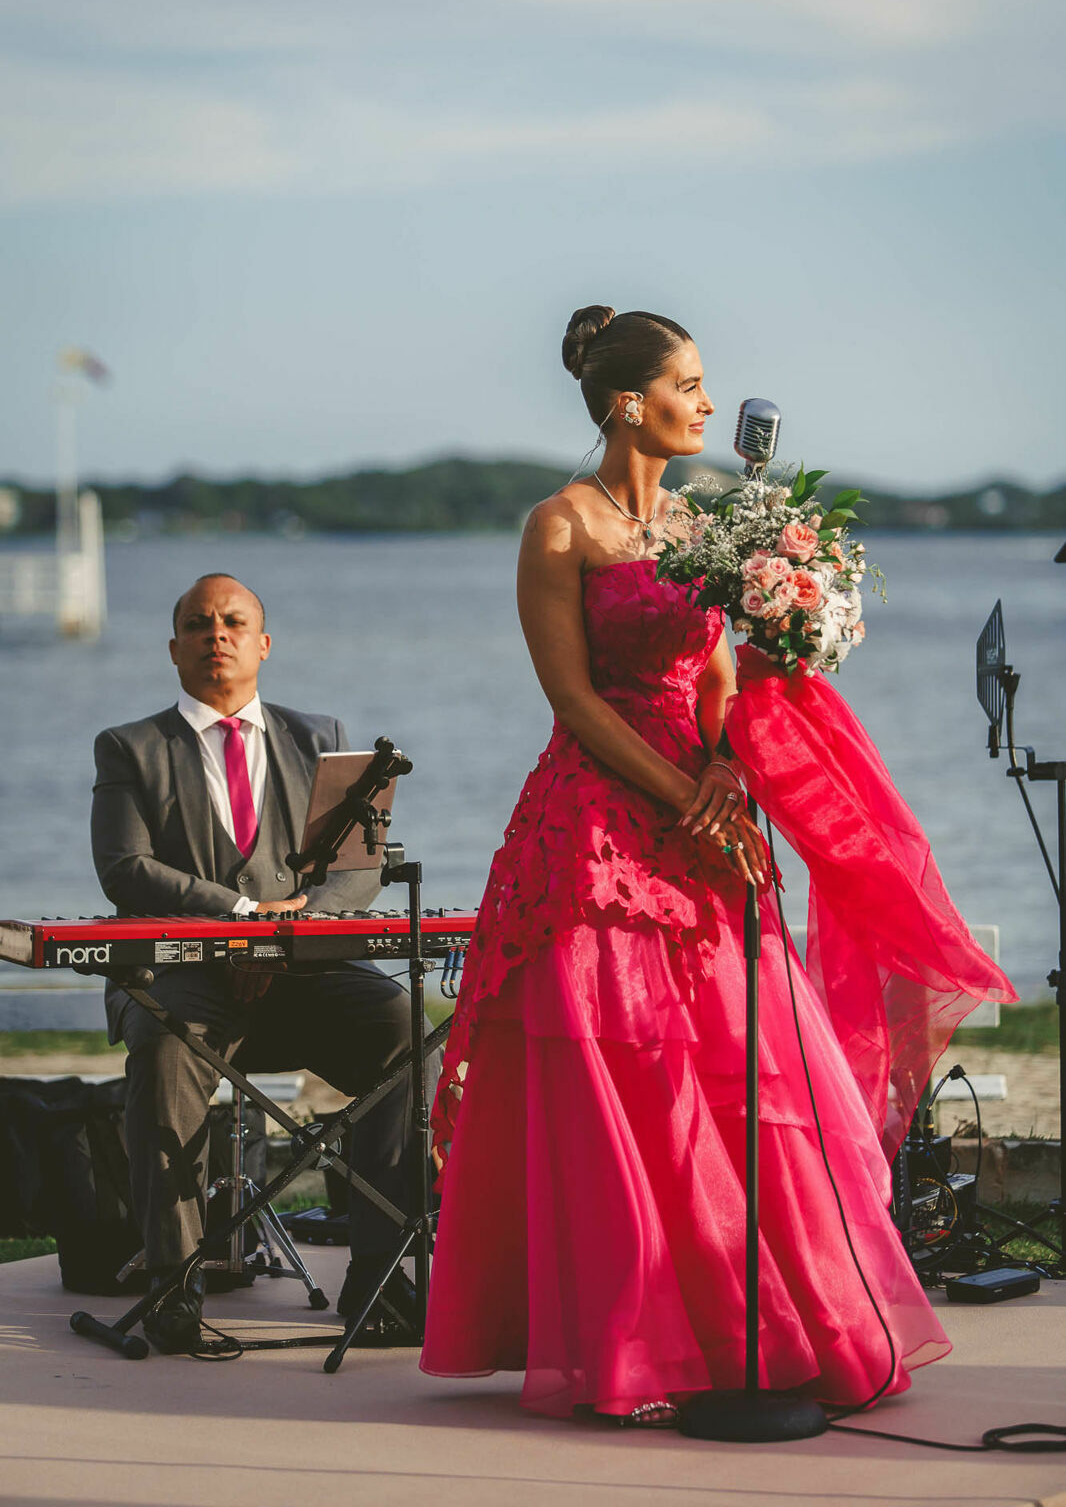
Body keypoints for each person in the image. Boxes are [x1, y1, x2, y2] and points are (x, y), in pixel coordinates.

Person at [420, 306, 1014, 1423]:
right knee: (625, 1080)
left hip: (707, 810)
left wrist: (731, 776)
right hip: (598, 825)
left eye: (703, 383)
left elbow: (720, 681)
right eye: (686, 385)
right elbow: (573, 700)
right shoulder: (559, 526)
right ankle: (636, 1343)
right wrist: (678, 789)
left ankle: (769, 1325)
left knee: (739, 1076)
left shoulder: (708, 528)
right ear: (626, 403)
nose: (705, 402)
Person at [92, 573, 421, 1352]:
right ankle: (173, 1289)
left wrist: (299, 927)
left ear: (264, 644)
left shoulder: (322, 736)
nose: (218, 635)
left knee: (402, 1025)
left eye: (235, 622)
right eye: (199, 624)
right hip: (186, 980)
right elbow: (124, 870)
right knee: (166, 1051)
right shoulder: (128, 748)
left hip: (303, 973)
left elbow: (358, 870)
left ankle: (381, 1280)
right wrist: (240, 921)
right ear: (174, 648)